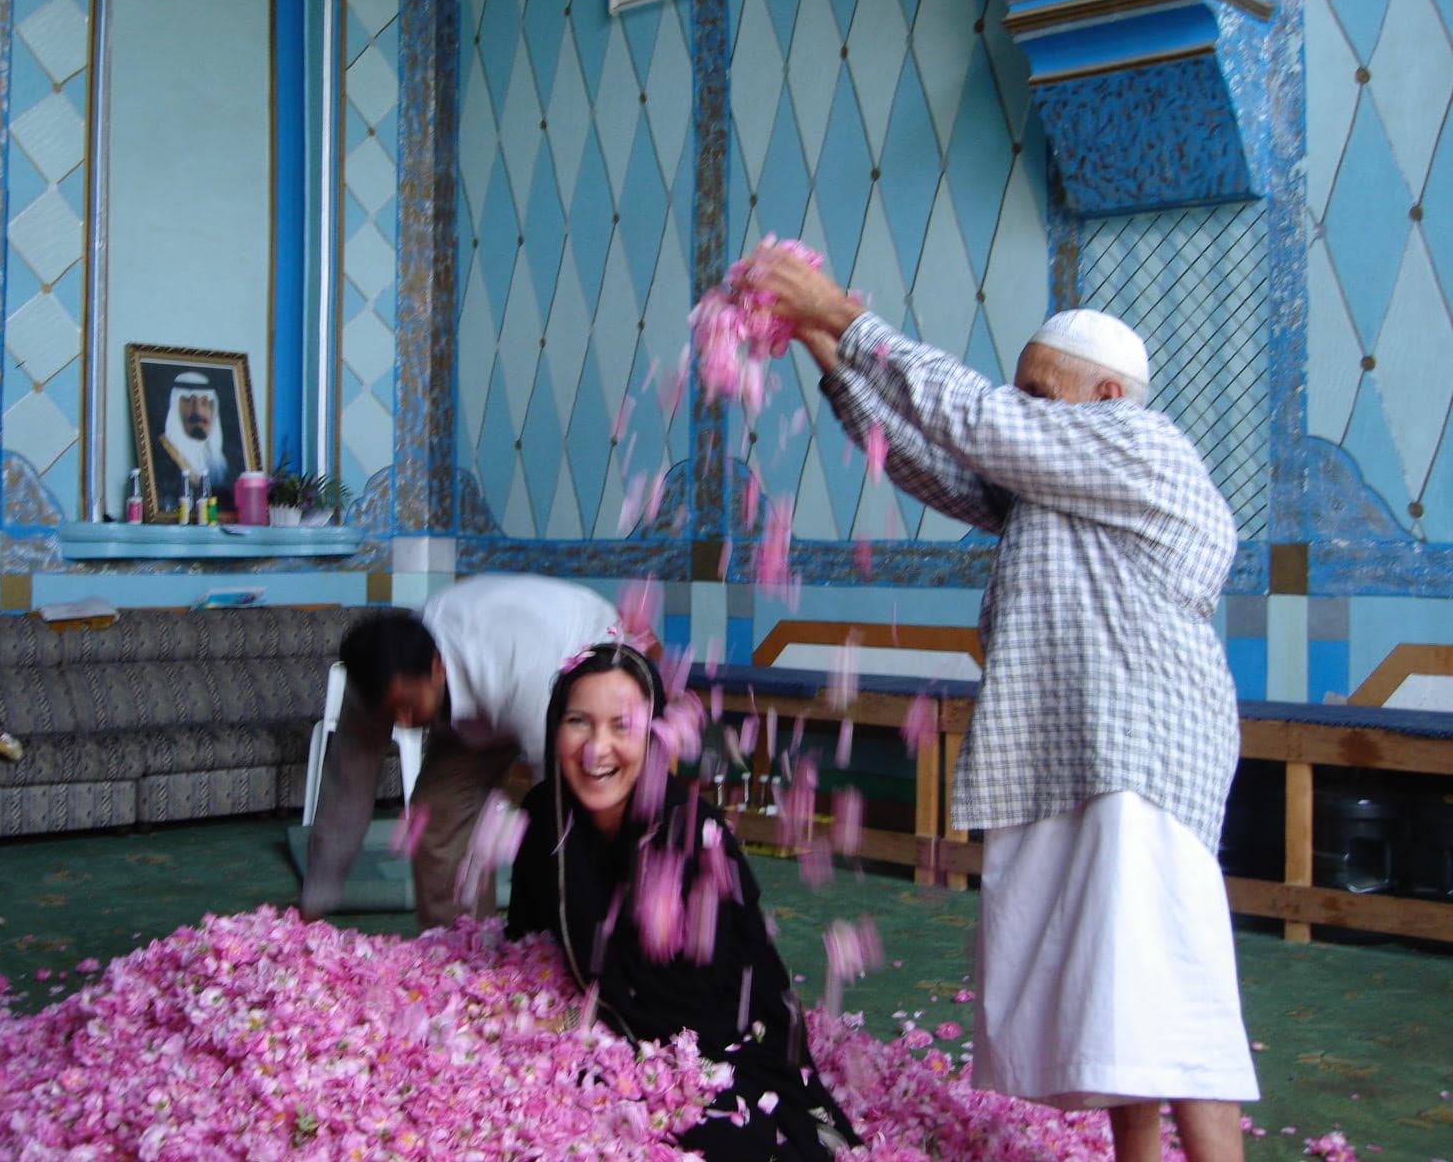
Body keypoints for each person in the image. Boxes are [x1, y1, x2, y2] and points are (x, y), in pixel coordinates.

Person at [736, 244, 1258, 1162]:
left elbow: (979, 422)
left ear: (1105, 400)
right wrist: (824, 342)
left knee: (1179, 1007)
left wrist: (848, 316)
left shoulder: (1146, 444)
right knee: (1119, 1012)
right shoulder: (1051, 484)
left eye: (1039, 396)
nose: (1018, 413)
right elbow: (934, 464)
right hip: (1070, 761)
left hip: (1139, 761)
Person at [507, 642, 860, 1161]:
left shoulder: (691, 837)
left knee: (715, 1138)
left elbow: (702, 1014)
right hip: (603, 1040)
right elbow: (529, 939)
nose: (596, 749)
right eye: (578, 722)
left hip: (713, 1043)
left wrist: (573, 1028)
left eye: (621, 726)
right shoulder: (546, 815)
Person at [300, 573, 620, 929]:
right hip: (478, 700)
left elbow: (562, 796)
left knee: (568, 832)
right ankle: (458, 952)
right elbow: (347, 788)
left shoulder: (525, 673)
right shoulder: (372, 687)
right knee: (437, 820)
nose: (402, 722)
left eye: (407, 705)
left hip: (583, 658)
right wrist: (314, 902)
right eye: (390, 714)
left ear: (436, 669)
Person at [153, 369, 243, 508]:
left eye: (205, 402)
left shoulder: (229, 462)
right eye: (189, 401)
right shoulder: (161, 460)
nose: (198, 412)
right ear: (175, 407)